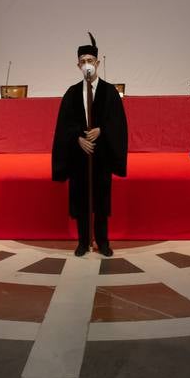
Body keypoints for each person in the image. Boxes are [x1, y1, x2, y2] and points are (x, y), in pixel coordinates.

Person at [51, 33, 128, 257]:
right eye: (83, 62)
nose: (87, 65)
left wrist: (102, 130)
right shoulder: (72, 93)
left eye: (90, 61)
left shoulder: (110, 92)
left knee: (101, 200)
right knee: (81, 199)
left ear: (98, 63)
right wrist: (78, 138)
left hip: (102, 156)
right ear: (78, 65)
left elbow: (118, 122)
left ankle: (103, 241)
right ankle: (83, 241)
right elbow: (64, 124)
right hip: (79, 157)